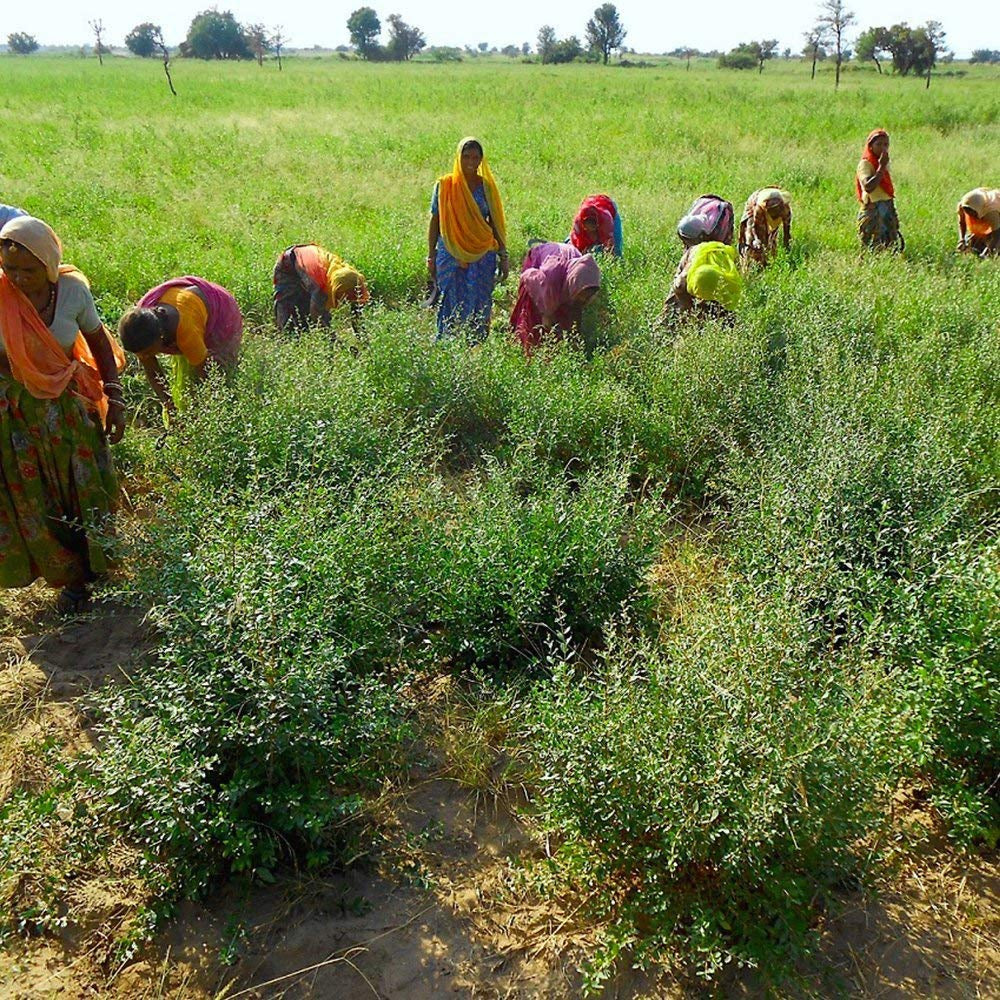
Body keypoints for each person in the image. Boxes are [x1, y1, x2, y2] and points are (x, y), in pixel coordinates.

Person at [0, 216, 125, 614]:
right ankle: (69, 578)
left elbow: (97, 341)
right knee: (36, 497)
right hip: (18, 414)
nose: (19, 278)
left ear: (50, 264)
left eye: (29, 270)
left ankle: (96, 568)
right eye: (10, 269)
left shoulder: (72, 291)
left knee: (84, 488)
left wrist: (115, 396)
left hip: (69, 409)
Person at [118, 277, 243, 417]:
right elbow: (153, 372)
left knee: (221, 372)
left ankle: (236, 412)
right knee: (188, 379)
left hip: (220, 310)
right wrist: (169, 407)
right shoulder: (138, 324)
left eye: (147, 352)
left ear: (160, 338)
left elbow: (208, 377)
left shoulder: (186, 332)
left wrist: (208, 412)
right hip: (190, 307)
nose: (144, 357)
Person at [427, 137, 508, 342]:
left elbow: (495, 222)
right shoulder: (445, 186)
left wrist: (503, 255)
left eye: (475, 157)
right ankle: (447, 345)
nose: (471, 161)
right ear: (458, 158)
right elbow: (435, 220)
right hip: (451, 252)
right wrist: (431, 256)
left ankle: (475, 345)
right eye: (466, 157)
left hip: (482, 252)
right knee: (450, 299)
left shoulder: (486, 187)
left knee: (480, 299)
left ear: (481, 160)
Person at [510, 242, 601, 354]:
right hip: (537, 279)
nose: (584, 299)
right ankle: (529, 351)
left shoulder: (584, 272)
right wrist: (546, 313)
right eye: (582, 295)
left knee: (568, 314)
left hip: (563, 276)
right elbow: (527, 276)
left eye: (587, 297)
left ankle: (562, 349)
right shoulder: (550, 277)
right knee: (532, 318)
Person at [272, 243, 370, 333]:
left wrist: (362, 337)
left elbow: (357, 311)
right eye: (341, 297)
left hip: (312, 261)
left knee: (308, 313)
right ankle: (287, 339)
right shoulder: (319, 285)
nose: (343, 302)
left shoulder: (352, 280)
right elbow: (317, 316)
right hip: (289, 265)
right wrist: (331, 339)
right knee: (289, 321)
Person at [658, 241, 742, 326]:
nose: (701, 301)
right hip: (697, 274)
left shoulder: (727, 285)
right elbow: (679, 286)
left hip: (714, 281)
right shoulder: (685, 279)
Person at [856, 128, 903, 251]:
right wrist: (881, 167)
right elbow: (868, 187)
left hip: (887, 205)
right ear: (870, 146)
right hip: (873, 209)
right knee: (872, 242)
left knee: (890, 241)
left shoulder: (882, 162)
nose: (883, 148)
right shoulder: (866, 164)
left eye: (886, 144)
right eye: (879, 144)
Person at [738, 188, 791, 265]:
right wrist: (757, 240)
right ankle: (748, 262)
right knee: (751, 239)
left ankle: (770, 260)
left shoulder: (785, 210)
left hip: (764, 208)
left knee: (772, 238)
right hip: (754, 206)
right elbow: (755, 227)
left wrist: (787, 247)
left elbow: (787, 230)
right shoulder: (759, 209)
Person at [956, 188, 1000, 258]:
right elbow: (962, 223)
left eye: (971, 212)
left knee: (994, 249)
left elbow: (997, 235)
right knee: (970, 242)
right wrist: (961, 240)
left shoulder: (991, 212)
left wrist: (988, 251)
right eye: (967, 211)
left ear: (978, 210)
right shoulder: (963, 205)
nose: (969, 214)